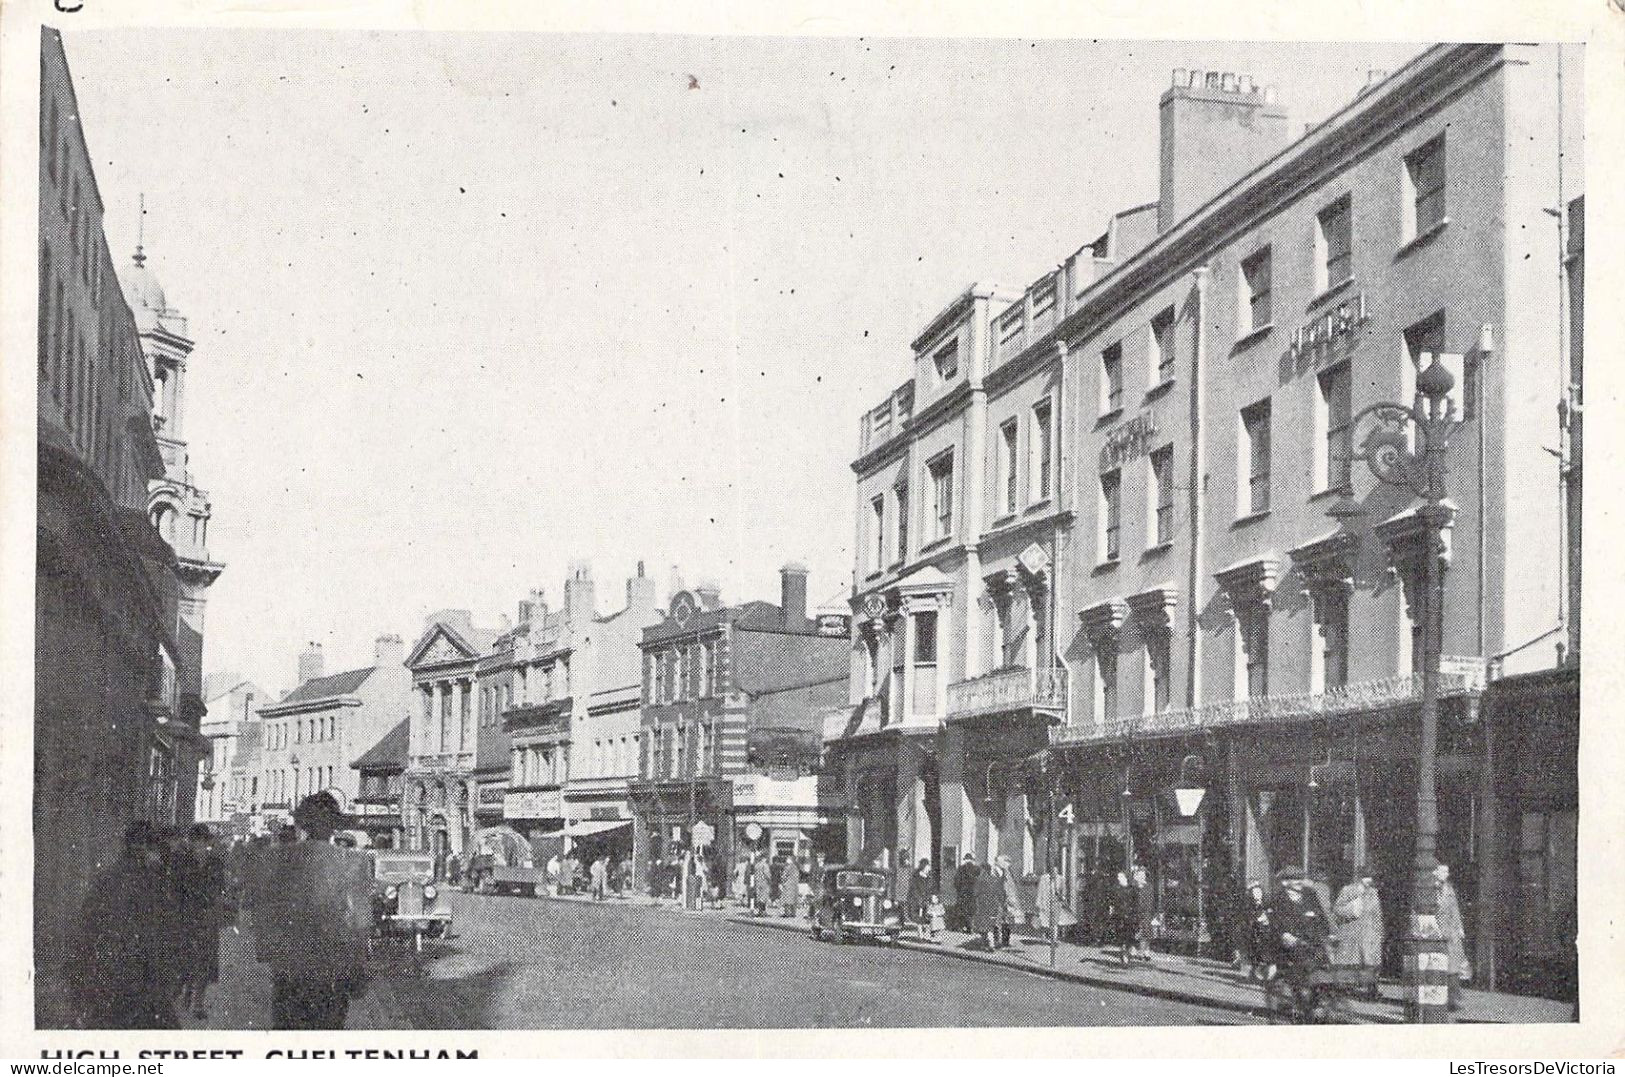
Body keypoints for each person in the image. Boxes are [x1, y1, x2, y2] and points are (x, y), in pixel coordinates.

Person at [249, 792, 373, 1030]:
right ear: (334, 826)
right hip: (333, 973)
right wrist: (359, 968)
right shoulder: (353, 862)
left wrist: (269, 954)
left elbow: (262, 910)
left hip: (289, 970)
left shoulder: (275, 858)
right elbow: (360, 923)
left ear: (302, 823)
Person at [68, 821, 182, 1028]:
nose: (158, 855)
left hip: (108, 975)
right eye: (155, 849)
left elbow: (86, 929)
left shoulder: (105, 879)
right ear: (145, 849)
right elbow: (162, 934)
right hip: (140, 978)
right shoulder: (152, 883)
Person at [174, 823, 227, 1019]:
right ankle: (188, 991)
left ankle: (198, 1002)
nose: (200, 846)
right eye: (196, 841)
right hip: (186, 915)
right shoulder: (182, 861)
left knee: (204, 959)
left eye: (203, 842)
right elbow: (176, 888)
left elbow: (220, 888)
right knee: (187, 957)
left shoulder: (215, 863)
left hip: (207, 916)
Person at [1267, 869, 1332, 1020]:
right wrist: (1284, 935)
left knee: (1322, 973)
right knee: (1298, 975)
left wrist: (1329, 933)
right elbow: (1273, 922)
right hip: (1288, 945)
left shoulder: (1310, 895)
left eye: (1300, 878)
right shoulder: (1277, 899)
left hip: (1312, 942)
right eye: (1294, 879)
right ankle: (1299, 1005)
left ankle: (1315, 1004)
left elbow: (1321, 916)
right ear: (1285, 882)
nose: (1299, 881)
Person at [1332, 867, 1384, 998]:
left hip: (1368, 932)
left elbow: (1377, 914)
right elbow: (1337, 909)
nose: (1369, 880)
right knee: (1351, 959)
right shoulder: (1348, 890)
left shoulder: (1373, 893)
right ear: (1360, 878)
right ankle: (1347, 987)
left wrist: (1379, 932)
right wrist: (1351, 911)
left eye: (1371, 878)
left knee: (1370, 960)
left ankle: (1371, 988)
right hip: (1351, 930)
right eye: (1366, 877)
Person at [1434, 862, 1470, 1011]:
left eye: (1447, 872)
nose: (1446, 874)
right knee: (1439, 966)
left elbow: (1454, 910)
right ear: (1435, 872)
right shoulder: (1430, 889)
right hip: (1436, 933)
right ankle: (1441, 998)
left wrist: (1460, 927)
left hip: (1451, 933)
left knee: (1453, 967)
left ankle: (1453, 998)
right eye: (1443, 871)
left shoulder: (1449, 889)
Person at [1240, 880, 1273, 979]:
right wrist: (1256, 920)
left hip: (1265, 930)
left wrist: (1267, 917)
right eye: (1254, 893)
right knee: (1253, 949)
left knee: (1265, 950)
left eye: (1259, 892)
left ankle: (1263, 971)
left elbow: (1271, 914)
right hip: (1253, 931)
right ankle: (1253, 971)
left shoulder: (1266, 903)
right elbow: (1247, 918)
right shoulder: (1249, 905)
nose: (1257, 895)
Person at [1106, 869, 1138, 966]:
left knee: (1129, 936)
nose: (1118, 878)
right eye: (1118, 877)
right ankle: (1124, 957)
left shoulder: (1132, 889)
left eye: (1120, 876)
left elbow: (1136, 903)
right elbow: (1111, 902)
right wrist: (1111, 911)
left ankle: (1129, 951)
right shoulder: (1116, 889)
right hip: (1119, 916)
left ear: (1125, 878)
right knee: (1121, 937)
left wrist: (1136, 914)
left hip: (1130, 916)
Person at [972, 859, 1004, 950]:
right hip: (994, 905)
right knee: (993, 924)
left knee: (984, 926)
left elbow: (975, 892)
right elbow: (1000, 892)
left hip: (983, 905)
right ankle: (995, 942)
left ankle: (989, 944)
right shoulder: (995, 880)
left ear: (983, 870)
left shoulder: (979, 880)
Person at [996, 855, 1025, 949]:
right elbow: (1002, 887)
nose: (1008, 865)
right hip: (1002, 900)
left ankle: (1005, 941)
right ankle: (999, 942)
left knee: (1007, 921)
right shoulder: (998, 872)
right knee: (1000, 921)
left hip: (1008, 900)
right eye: (1007, 863)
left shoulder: (1008, 872)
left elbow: (1011, 886)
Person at [1131, 863, 1155, 963]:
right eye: (1139, 874)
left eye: (1143, 874)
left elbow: (1152, 900)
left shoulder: (1149, 886)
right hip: (1137, 913)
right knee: (1140, 933)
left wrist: (1154, 913)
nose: (1141, 876)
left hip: (1147, 913)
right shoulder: (1134, 886)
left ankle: (1146, 952)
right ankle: (1141, 952)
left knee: (1147, 933)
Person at [953, 854, 981, 934]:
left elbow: (956, 881)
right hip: (973, 893)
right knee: (971, 911)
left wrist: (959, 890)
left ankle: (960, 927)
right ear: (972, 860)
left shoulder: (961, 868)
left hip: (963, 893)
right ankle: (971, 928)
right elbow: (979, 881)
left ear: (965, 860)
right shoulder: (977, 869)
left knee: (962, 910)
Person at [909, 858, 934, 934]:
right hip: (917, 901)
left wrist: (932, 896)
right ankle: (920, 934)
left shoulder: (929, 878)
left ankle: (927, 934)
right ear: (923, 867)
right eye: (927, 867)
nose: (929, 869)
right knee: (919, 918)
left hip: (926, 901)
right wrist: (919, 899)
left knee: (927, 917)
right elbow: (914, 890)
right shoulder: (915, 877)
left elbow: (931, 889)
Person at [779, 854, 802, 918]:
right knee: (794, 899)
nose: (787, 860)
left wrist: (783, 883)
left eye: (788, 859)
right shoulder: (796, 867)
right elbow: (798, 876)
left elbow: (783, 876)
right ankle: (793, 913)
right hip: (795, 885)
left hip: (788, 884)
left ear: (790, 860)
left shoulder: (787, 867)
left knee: (787, 899)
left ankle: (787, 913)